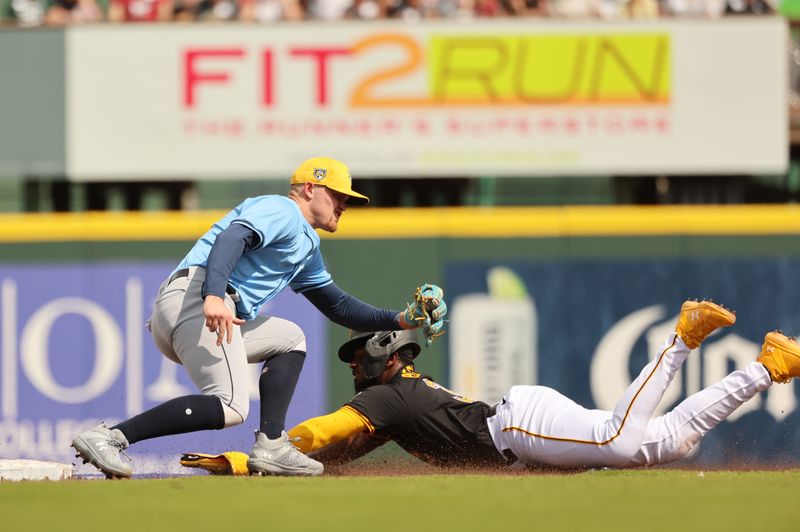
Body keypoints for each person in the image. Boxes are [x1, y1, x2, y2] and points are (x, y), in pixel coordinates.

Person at [71, 156, 447, 479]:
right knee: (232, 405)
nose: (344, 203)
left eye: (348, 198)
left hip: (201, 308)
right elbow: (232, 238)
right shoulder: (282, 209)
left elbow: (338, 306)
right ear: (308, 189)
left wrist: (403, 318)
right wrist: (215, 293)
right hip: (199, 297)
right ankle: (110, 437)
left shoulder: (305, 244)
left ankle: (271, 445)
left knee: (291, 338)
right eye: (338, 194)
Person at [181, 299, 800, 474]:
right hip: (521, 426)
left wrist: (252, 453)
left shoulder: (387, 394)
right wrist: (256, 467)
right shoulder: (394, 403)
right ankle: (766, 369)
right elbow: (336, 452)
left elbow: (321, 432)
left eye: (359, 358)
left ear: (383, 358)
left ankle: (681, 339)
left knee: (619, 439)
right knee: (668, 444)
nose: (355, 368)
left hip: (515, 429)